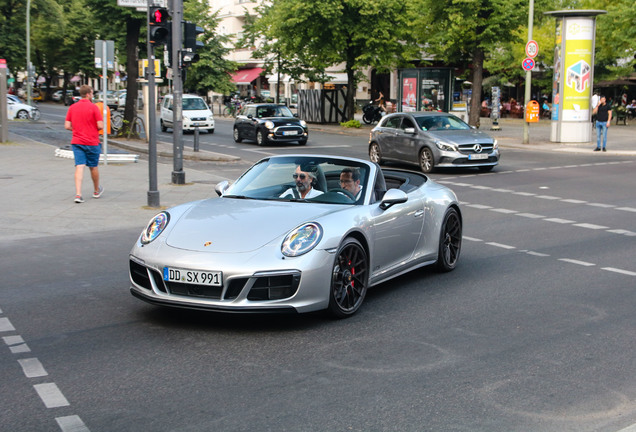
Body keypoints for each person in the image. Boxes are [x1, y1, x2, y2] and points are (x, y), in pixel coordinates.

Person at [65, 85, 104, 203]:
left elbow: (67, 126)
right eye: (92, 93)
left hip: (77, 142)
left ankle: (78, 194)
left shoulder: (72, 107)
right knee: (93, 166)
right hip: (92, 141)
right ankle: (96, 190)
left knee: (79, 166)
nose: (92, 95)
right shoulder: (94, 107)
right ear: (88, 94)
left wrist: (77, 130)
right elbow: (100, 125)